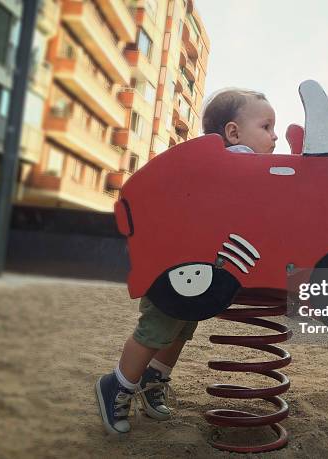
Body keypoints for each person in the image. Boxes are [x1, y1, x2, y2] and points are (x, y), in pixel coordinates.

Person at [95, 88, 278, 434]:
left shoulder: (226, 167)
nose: (275, 135)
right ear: (234, 133)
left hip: (194, 270)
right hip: (172, 268)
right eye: (266, 126)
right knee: (156, 330)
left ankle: (153, 380)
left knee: (182, 326)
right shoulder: (236, 160)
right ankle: (117, 385)